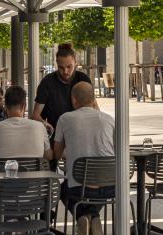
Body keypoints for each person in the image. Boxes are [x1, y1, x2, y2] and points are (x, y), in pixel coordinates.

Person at [53, 82, 114, 235]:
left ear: (74, 100)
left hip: (79, 187)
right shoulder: (109, 120)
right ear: (94, 99)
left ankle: (83, 217)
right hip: (110, 187)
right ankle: (94, 218)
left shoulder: (65, 119)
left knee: (61, 188)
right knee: (94, 191)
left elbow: (57, 154)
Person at [0, 86, 52, 161]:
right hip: (35, 175)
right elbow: (49, 156)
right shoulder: (39, 127)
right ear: (24, 106)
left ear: (5, 106)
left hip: (4, 174)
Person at [33, 44, 92, 135]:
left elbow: (94, 107)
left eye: (69, 67)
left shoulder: (83, 79)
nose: (65, 71)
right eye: (61, 67)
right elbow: (35, 115)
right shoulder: (47, 82)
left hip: (81, 133)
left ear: (76, 62)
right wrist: (45, 124)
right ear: (56, 64)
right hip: (55, 133)